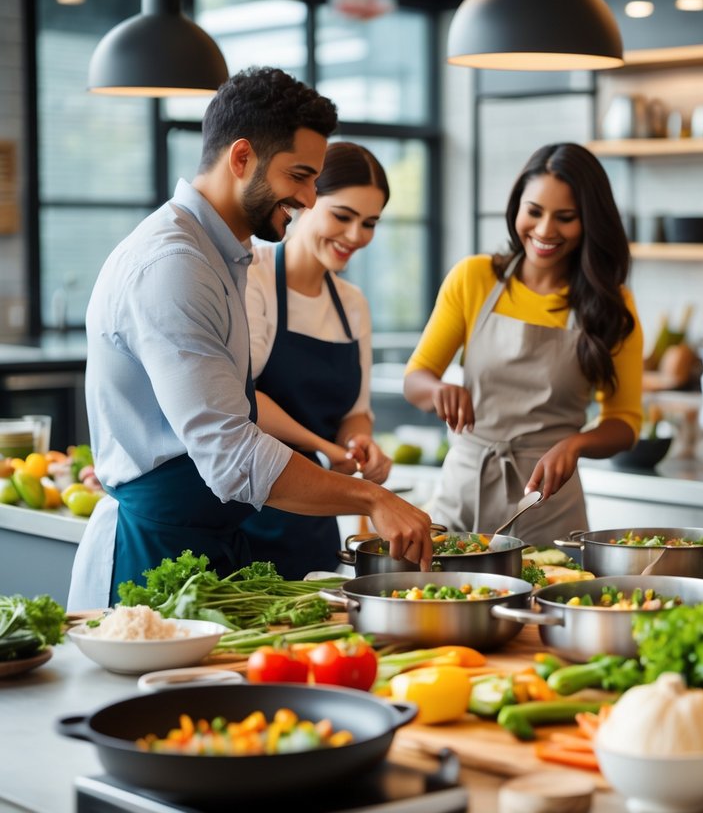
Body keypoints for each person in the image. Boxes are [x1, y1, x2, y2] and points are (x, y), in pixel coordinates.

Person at [69, 67, 431, 610]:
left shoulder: (220, 255)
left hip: (210, 543)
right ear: (241, 158)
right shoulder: (176, 266)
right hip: (154, 553)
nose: (309, 198)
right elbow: (232, 453)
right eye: (301, 176)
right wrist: (370, 496)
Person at [403, 143, 643, 543]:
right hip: (463, 495)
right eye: (534, 211)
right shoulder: (474, 278)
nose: (545, 230)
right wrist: (438, 389)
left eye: (565, 218)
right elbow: (416, 379)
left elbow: (626, 422)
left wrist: (576, 444)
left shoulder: (610, 306)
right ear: (517, 208)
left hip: (549, 505)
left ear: (590, 222)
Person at [239, 142, 393, 580]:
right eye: (342, 216)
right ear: (306, 201)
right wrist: (328, 451)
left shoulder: (352, 304)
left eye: (369, 223)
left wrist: (359, 444)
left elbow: (355, 411)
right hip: (249, 511)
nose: (355, 236)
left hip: (315, 524)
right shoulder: (254, 275)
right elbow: (243, 399)